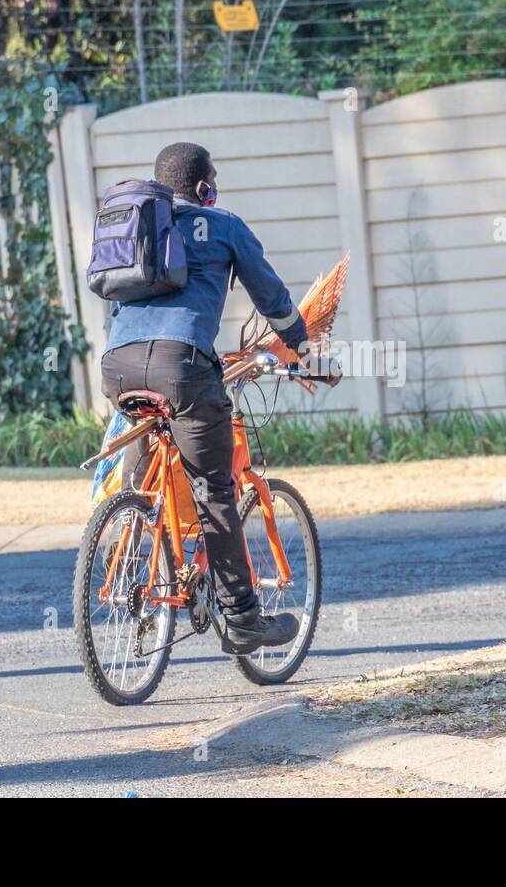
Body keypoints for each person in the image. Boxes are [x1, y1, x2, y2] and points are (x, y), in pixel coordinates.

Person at [100, 141, 312, 655]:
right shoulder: (224, 226)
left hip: (118, 366)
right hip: (184, 367)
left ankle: (133, 520)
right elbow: (272, 298)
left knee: (152, 433)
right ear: (204, 187)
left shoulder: (141, 226)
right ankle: (243, 620)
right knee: (214, 489)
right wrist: (303, 346)